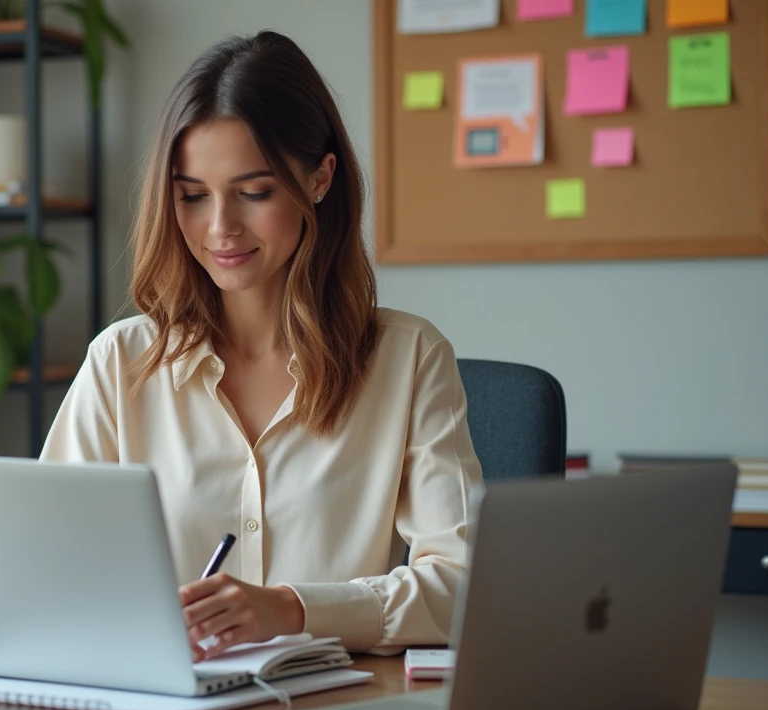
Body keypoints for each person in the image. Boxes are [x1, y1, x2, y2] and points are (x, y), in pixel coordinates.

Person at [40, 31, 482, 658]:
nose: (220, 227)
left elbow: (463, 588)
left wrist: (293, 609)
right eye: (192, 196)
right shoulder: (121, 364)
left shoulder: (409, 360)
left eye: (254, 192)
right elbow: (45, 568)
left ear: (321, 178)